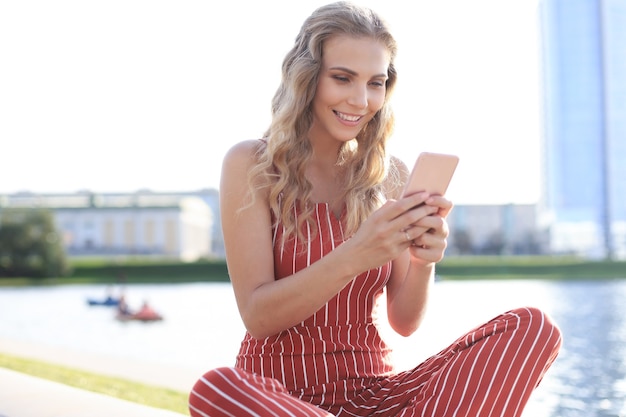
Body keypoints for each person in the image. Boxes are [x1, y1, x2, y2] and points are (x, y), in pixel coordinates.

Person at [189, 2, 562, 416]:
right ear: (307, 77)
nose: (361, 99)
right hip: (280, 396)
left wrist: (424, 260)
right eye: (342, 78)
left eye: (376, 82)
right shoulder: (251, 164)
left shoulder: (390, 175)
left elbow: (404, 321)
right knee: (216, 389)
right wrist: (356, 254)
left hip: (376, 395)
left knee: (532, 327)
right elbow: (258, 317)